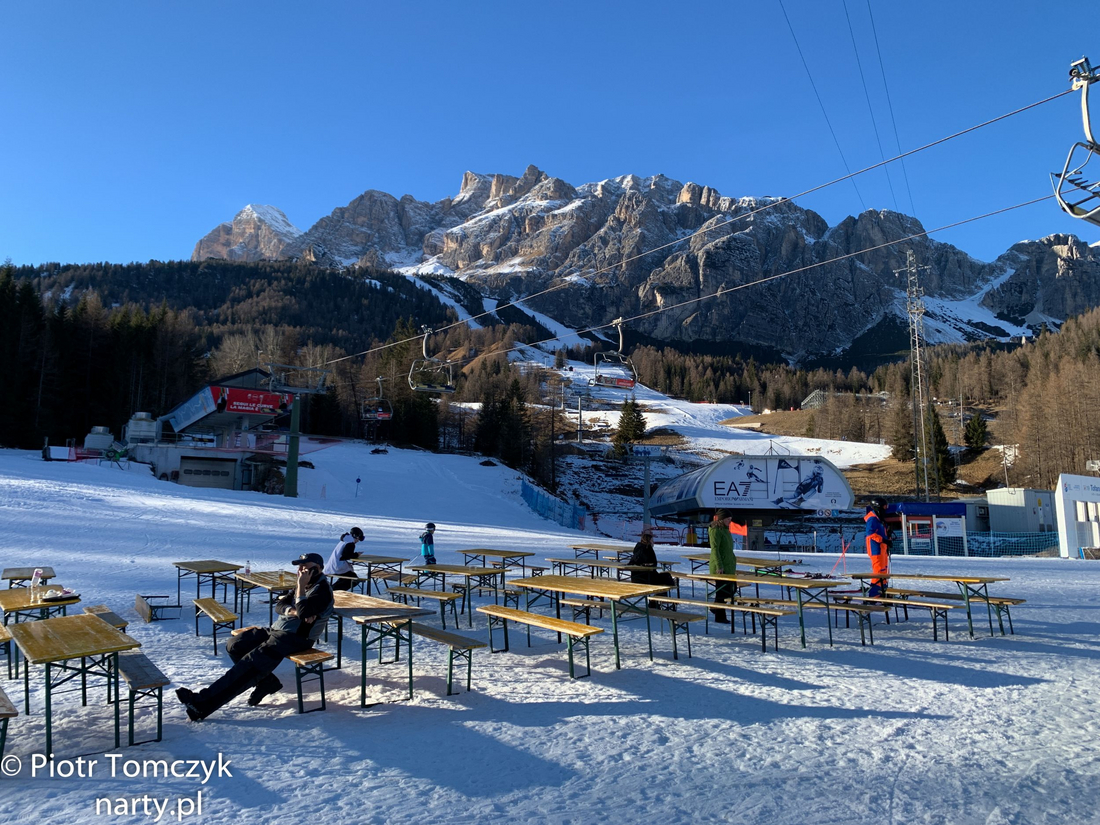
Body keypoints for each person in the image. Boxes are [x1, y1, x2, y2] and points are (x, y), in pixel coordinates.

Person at [175, 552, 334, 721]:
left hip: (295, 638)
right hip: (277, 630)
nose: (301, 571)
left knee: (250, 664)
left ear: (318, 569)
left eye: (305, 567)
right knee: (236, 644)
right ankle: (266, 682)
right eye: (299, 567)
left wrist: (300, 591)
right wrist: (293, 610)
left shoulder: (321, 590)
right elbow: (280, 605)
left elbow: (304, 612)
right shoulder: (304, 584)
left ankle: (201, 705)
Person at [629, 529, 677, 607]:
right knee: (667, 578)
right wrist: (647, 565)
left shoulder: (638, 548)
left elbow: (632, 562)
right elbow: (652, 563)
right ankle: (656, 601)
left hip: (637, 578)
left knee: (666, 578)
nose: (653, 542)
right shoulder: (647, 549)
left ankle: (657, 600)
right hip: (646, 578)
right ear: (649, 541)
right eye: (652, 540)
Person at [709, 509, 737, 624]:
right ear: (721, 519)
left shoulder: (726, 530)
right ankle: (720, 615)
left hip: (729, 565)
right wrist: (719, 565)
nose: (729, 521)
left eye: (730, 519)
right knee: (722, 592)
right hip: (720, 566)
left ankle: (715, 608)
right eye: (727, 519)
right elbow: (715, 549)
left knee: (732, 589)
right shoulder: (716, 531)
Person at [864, 498, 892, 597]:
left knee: (884, 570)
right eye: (884, 507)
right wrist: (883, 540)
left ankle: (883, 591)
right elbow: (870, 533)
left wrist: (887, 537)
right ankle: (874, 594)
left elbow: (881, 532)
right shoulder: (872, 518)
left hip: (882, 548)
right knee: (878, 571)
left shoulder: (879, 518)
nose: (886, 509)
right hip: (876, 549)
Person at [324, 526, 364, 591]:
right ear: (356, 537)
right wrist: (357, 554)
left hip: (333, 565)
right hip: (338, 566)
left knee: (348, 577)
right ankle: (333, 591)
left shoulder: (345, 540)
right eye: (358, 539)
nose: (358, 541)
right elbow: (347, 555)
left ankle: (331, 590)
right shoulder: (350, 543)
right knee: (353, 579)